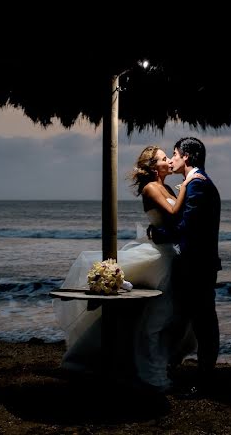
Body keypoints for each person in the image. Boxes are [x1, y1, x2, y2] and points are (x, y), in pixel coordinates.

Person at [53, 145, 201, 391]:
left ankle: (151, 362)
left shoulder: (162, 186)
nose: (169, 161)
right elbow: (175, 214)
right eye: (165, 158)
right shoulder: (151, 188)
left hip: (168, 253)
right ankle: (152, 375)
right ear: (155, 167)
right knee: (158, 317)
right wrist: (187, 186)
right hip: (159, 259)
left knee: (163, 315)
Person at [148, 136, 222, 396]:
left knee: (203, 322)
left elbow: (187, 228)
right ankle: (183, 371)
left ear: (186, 157)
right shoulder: (194, 183)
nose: (172, 158)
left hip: (197, 265)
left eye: (175, 153)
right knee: (189, 319)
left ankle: (203, 381)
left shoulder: (197, 185)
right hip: (195, 263)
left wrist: (160, 235)